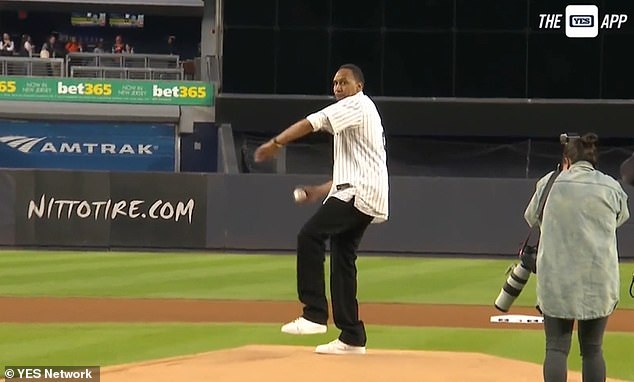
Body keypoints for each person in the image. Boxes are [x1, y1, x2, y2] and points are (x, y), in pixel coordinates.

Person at [254, 64, 389, 355]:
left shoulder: (357, 105)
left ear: (359, 87)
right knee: (343, 259)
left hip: (359, 194)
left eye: (344, 82)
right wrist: (319, 191)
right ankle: (352, 336)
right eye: (335, 83)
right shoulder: (356, 116)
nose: (338, 87)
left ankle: (314, 314)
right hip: (361, 192)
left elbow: (311, 122)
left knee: (310, 236)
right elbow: (353, 171)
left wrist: (275, 143)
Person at [524, 133, 629, 382]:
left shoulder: (549, 183)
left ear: (567, 159)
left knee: (556, 347)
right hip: (598, 279)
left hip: (557, 279)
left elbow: (532, 218)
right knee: (593, 349)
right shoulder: (611, 186)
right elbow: (620, 219)